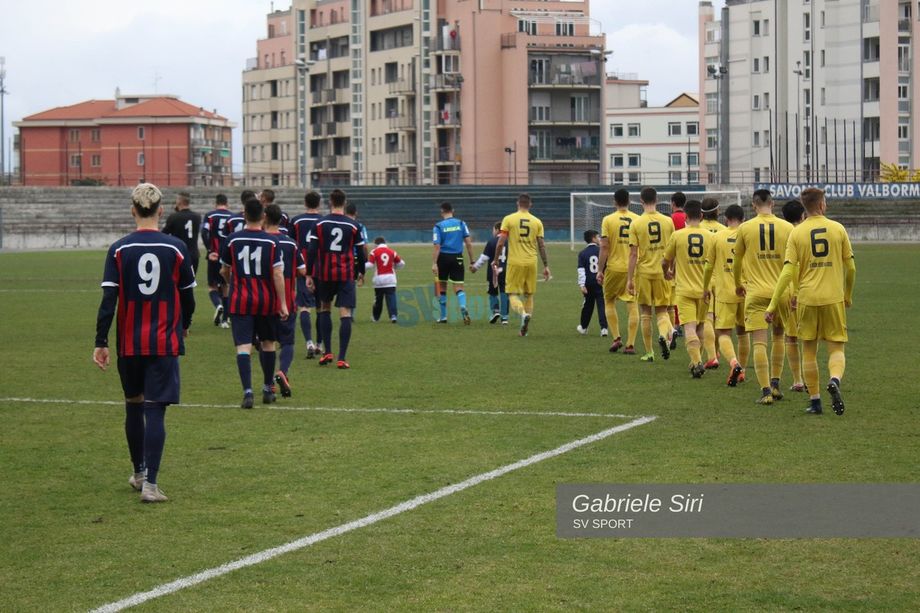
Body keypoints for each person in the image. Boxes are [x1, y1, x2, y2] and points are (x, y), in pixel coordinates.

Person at [93, 183, 196, 503]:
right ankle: (151, 484)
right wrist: (185, 325)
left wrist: (101, 340)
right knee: (156, 411)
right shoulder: (176, 248)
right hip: (163, 341)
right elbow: (189, 298)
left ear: (132, 210)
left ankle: (139, 473)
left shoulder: (119, 249)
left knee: (133, 405)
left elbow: (109, 299)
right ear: (161, 211)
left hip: (129, 342)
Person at [766, 188, 854, 415]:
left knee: (809, 351)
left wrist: (773, 304)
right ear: (822, 205)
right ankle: (834, 379)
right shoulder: (838, 229)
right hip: (833, 298)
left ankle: (815, 401)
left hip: (806, 299)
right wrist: (848, 294)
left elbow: (787, 272)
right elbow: (851, 267)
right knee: (836, 348)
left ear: (805, 207)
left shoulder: (796, 234)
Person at [220, 198, 289, 408]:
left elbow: (224, 270)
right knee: (268, 343)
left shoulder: (232, 240)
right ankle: (268, 389)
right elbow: (278, 274)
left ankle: (247, 392)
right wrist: (283, 303)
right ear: (263, 217)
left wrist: (233, 282)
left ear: (244, 215)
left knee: (243, 346)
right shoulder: (272, 241)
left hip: (240, 300)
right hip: (266, 301)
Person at [732, 189, 794, 405]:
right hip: (781, 293)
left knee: (759, 342)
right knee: (779, 337)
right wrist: (793, 291)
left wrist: (738, 284)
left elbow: (737, 261)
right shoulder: (787, 227)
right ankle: (776, 384)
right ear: (773, 203)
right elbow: (791, 265)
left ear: (753, 205)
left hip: (756, 291)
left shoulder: (745, 228)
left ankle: (765, 390)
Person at [306, 189, 366, 368]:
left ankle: (328, 352)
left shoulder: (320, 223)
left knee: (325, 308)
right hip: (346, 274)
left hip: (324, 273)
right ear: (345, 202)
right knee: (345, 312)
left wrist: (309, 273)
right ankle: (342, 357)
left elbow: (311, 250)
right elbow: (361, 252)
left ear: (331, 201)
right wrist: (361, 271)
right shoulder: (354, 225)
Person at [662, 200, 711, 377]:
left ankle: (697, 362)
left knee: (689, 328)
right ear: (702, 216)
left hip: (684, 290)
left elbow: (665, 260)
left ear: (686, 217)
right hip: (705, 289)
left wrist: (666, 272)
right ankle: (696, 361)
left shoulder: (677, 235)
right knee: (701, 326)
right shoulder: (710, 236)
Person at [702, 203, 750, 386]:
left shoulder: (717, 237)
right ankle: (742, 370)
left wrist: (705, 287)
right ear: (743, 219)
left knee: (723, 333)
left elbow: (708, 266)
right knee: (743, 332)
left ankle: (734, 362)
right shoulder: (747, 235)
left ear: (726, 219)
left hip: (724, 292)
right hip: (746, 290)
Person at [626, 186, 675, 361]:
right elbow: (672, 250)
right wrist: (672, 271)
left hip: (644, 272)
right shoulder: (668, 221)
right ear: (657, 199)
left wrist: (629, 279)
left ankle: (649, 352)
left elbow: (633, 254)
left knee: (646, 312)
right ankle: (665, 334)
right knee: (662, 311)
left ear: (640, 201)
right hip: (663, 272)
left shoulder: (636, 223)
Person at [494, 193, 551, 336]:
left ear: (517, 203)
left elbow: (500, 242)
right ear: (530, 204)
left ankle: (523, 314)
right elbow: (542, 245)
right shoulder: (537, 222)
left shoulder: (508, 219)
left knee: (512, 293)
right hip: (532, 261)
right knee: (529, 294)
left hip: (515, 262)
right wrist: (546, 265)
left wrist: (496, 259)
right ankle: (524, 329)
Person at [264, 204, 305, 398]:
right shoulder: (290, 243)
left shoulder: (261, 241)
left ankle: (268, 383)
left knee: (267, 343)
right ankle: (283, 372)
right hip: (287, 298)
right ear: (281, 220)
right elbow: (302, 270)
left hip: (264, 299)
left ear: (265, 218)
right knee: (287, 342)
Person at [596, 188, 640, 354]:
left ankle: (616, 338)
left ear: (614, 202)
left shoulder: (608, 220)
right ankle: (630, 344)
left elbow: (604, 247)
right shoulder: (637, 219)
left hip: (614, 268)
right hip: (632, 268)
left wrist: (600, 270)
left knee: (609, 301)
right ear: (629, 201)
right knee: (632, 303)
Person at [290, 191, 324, 358]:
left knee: (304, 307)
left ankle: (309, 342)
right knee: (322, 308)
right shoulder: (325, 221)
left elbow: (291, 245)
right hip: (322, 269)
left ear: (305, 203)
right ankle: (319, 344)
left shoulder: (296, 221)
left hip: (303, 269)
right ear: (319, 204)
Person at [432, 202, 475, 324]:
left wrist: (434, 263)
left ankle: (444, 316)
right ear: (453, 210)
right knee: (459, 287)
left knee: (442, 287)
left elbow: (437, 246)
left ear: (442, 212)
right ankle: (462, 306)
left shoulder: (438, 226)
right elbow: (468, 243)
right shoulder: (461, 223)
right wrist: (472, 261)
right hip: (457, 258)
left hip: (443, 258)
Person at [780, 200, 807, 393]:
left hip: (789, 290)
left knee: (790, 337)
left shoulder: (785, 233)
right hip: (809, 290)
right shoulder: (805, 232)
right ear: (803, 215)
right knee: (809, 338)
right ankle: (810, 379)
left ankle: (798, 379)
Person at [699, 197, 727, 369]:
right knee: (719, 320)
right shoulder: (725, 230)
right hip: (723, 279)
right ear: (718, 211)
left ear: (702, 213)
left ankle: (712, 356)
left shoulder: (697, 229)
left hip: (705, 278)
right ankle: (716, 351)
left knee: (708, 319)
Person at [201, 194, 233, 327]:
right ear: (227, 203)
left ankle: (218, 305)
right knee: (225, 286)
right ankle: (225, 320)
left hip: (215, 254)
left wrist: (209, 249)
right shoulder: (232, 217)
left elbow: (204, 231)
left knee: (212, 286)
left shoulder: (210, 215)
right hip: (227, 256)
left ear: (216, 203)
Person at [470, 222, 509, 325]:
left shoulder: (492, 241)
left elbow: (484, 258)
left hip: (493, 271)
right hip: (506, 271)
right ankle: (505, 318)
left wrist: (475, 267)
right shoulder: (509, 242)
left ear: (497, 229)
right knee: (504, 292)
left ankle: (495, 311)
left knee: (492, 292)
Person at [576, 230, 608, 336]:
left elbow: (581, 270)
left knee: (588, 305)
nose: (600, 239)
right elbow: (606, 267)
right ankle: (604, 328)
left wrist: (582, 284)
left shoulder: (582, 253)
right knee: (601, 304)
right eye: (598, 237)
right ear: (593, 238)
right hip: (600, 281)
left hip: (588, 282)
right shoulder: (601, 251)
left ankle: (583, 327)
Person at [366, 236, 405, 323]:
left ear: (376, 244)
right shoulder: (392, 252)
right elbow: (402, 263)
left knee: (378, 300)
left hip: (379, 280)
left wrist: (360, 267)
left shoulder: (374, 252)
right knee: (391, 299)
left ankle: (376, 318)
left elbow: (370, 265)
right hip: (390, 279)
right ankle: (393, 316)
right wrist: (394, 267)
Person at [162, 191, 202, 274]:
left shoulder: (174, 217)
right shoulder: (197, 216)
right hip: (194, 255)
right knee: (190, 284)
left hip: (179, 254)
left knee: (177, 283)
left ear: (179, 201)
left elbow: (163, 234)